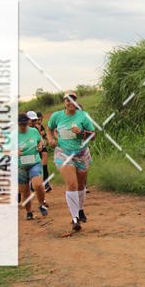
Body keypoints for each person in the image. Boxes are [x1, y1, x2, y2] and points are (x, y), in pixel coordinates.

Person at [47, 92, 95, 233]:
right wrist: (50, 139)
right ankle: (74, 218)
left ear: (76, 102)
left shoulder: (83, 116)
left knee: (80, 184)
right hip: (63, 153)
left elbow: (93, 136)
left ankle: (80, 210)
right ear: (64, 103)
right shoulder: (57, 116)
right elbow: (49, 129)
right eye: (67, 100)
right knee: (72, 183)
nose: (70, 103)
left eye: (73, 100)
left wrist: (81, 132)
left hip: (81, 153)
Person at [17, 113, 48, 220]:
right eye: (21, 124)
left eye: (25, 124)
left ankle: (41, 204)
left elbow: (41, 142)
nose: (23, 126)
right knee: (25, 191)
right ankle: (29, 212)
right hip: (20, 166)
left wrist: (40, 146)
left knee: (38, 185)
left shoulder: (34, 131)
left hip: (34, 162)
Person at [35, 111, 52, 192]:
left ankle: (46, 184)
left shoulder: (41, 127)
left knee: (44, 165)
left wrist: (49, 140)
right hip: (34, 148)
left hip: (42, 146)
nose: (39, 121)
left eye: (40, 120)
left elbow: (44, 135)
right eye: (37, 120)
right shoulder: (32, 128)